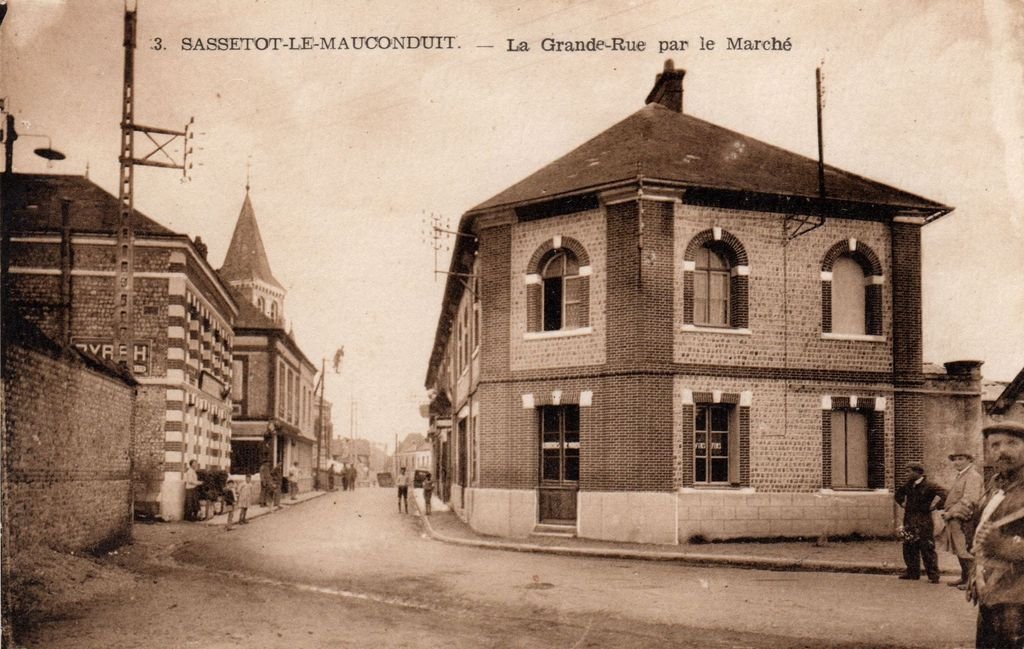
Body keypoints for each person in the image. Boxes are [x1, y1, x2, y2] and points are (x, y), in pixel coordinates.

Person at [968, 421, 1024, 649]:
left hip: (1018, 599)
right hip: (992, 593)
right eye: (995, 445)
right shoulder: (997, 485)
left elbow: (996, 542)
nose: (1002, 451)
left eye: (1012, 443)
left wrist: (1001, 545)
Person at [894, 461, 946, 583]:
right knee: (909, 546)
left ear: (917, 472)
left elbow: (945, 494)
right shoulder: (908, 485)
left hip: (924, 521)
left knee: (927, 547)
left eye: (908, 471)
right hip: (909, 519)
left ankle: (933, 575)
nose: (906, 474)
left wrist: (935, 506)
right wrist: (902, 503)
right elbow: (898, 494)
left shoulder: (929, 485)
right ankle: (912, 573)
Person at [940, 446, 984, 589]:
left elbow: (969, 500)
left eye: (961, 459)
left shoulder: (972, 476)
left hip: (965, 519)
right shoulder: (961, 475)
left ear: (969, 460)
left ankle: (971, 581)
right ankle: (964, 577)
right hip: (955, 519)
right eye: (955, 460)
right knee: (959, 549)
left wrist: (950, 513)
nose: (957, 462)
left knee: (966, 550)